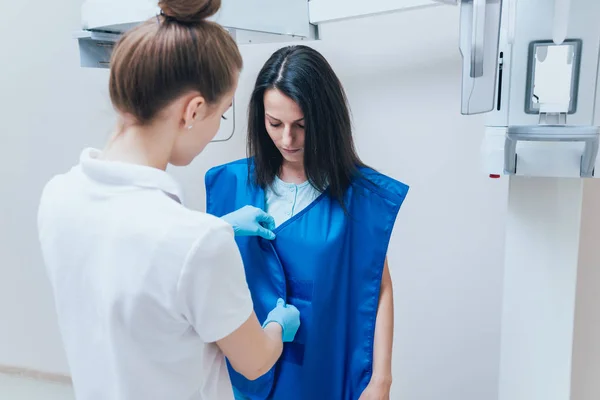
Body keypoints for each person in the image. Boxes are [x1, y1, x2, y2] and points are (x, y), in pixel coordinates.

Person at [36, 1, 301, 399]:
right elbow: (255, 360)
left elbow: (130, 258)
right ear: (193, 109)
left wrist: (220, 227)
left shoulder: (58, 196)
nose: (215, 129)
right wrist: (279, 323)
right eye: (222, 114)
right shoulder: (197, 243)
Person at [205, 45, 409, 400]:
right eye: (275, 124)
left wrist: (381, 381)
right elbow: (202, 276)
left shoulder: (359, 198)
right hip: (244, 374)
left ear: (326, 118)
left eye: (301, 125)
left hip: (322, 371)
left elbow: (378, 287)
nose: (287, 139)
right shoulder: (231, 186)